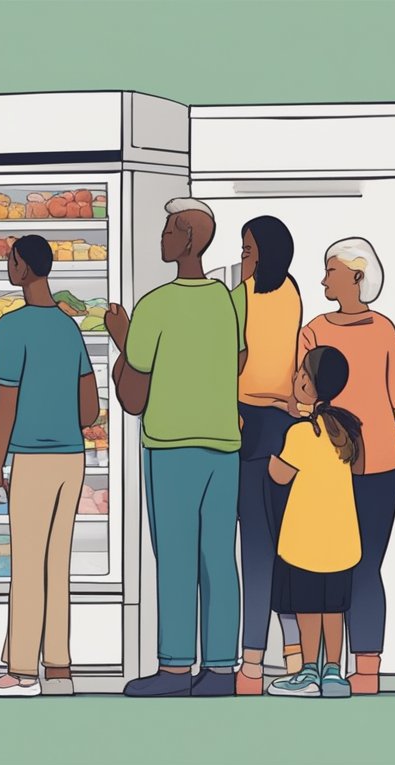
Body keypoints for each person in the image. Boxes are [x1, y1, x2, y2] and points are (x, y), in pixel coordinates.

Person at [105, 198, 242, 697]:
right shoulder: (225, 302)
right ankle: (222, 670)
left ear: (188, 239)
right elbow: (236, 363)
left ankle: (176, 667)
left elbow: (134, 396)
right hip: (224, 446)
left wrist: (122, 342)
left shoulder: (155, 306)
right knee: (219, 558)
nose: (161, 238)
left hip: (171, 446)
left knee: (178, 557)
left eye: (167, 231)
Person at [296, 237, 395, 695]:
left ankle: (319, 666)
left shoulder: (314, 330)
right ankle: (366, 670)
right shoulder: (383, 328)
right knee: (367, 567)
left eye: (331, 270)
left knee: (322, 564)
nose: (324, 278)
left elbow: (300, 395)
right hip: (380, 462)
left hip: (328, 465)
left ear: (356, 276)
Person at [0, 235, 99, 698]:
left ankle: (21, 672)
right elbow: (90, 408)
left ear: (25, 268)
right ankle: (59, 667)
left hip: (31, 458)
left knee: (27, 565)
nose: (9, 268)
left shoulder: (10, 329)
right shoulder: (69, 328)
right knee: (57, 562)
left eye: (11, 261)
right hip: (71, 457)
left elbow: (5, 407)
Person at [230, 217, 305, 693]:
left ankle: (253, 663)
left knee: (259, 547)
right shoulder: (291, 290)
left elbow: (233, 360)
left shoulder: (243, 294)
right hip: (282, 422)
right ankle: (294, 652)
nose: (244, 255)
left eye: (249, 247)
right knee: (282, 543)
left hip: (251, 424)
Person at [266, 347, 364, 699]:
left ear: (308, 384)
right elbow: (357, 470)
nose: (295, 378)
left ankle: (308, 671)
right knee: (333, 610)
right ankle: (334, 673)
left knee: (308, 609)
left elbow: (278, 475)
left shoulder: (301, 434)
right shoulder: (347, 430)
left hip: (304, 542)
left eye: (300, 374)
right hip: (341, 541)